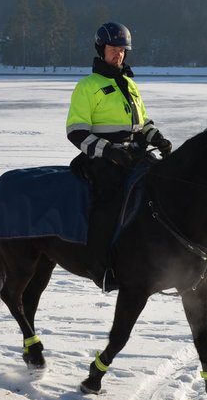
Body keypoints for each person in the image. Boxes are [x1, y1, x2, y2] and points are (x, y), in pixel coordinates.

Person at [66, 22, 172, 287]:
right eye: (113, 48)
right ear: (101, 49)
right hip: (101, 160)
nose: (118, 54)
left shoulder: (129, 84)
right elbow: (76, 132)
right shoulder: (88, 86)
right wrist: (109, 152)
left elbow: (140, 122)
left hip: (135, 154)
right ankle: (101, 266)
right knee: (110, 201)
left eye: (122, 49)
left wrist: (155, 136)